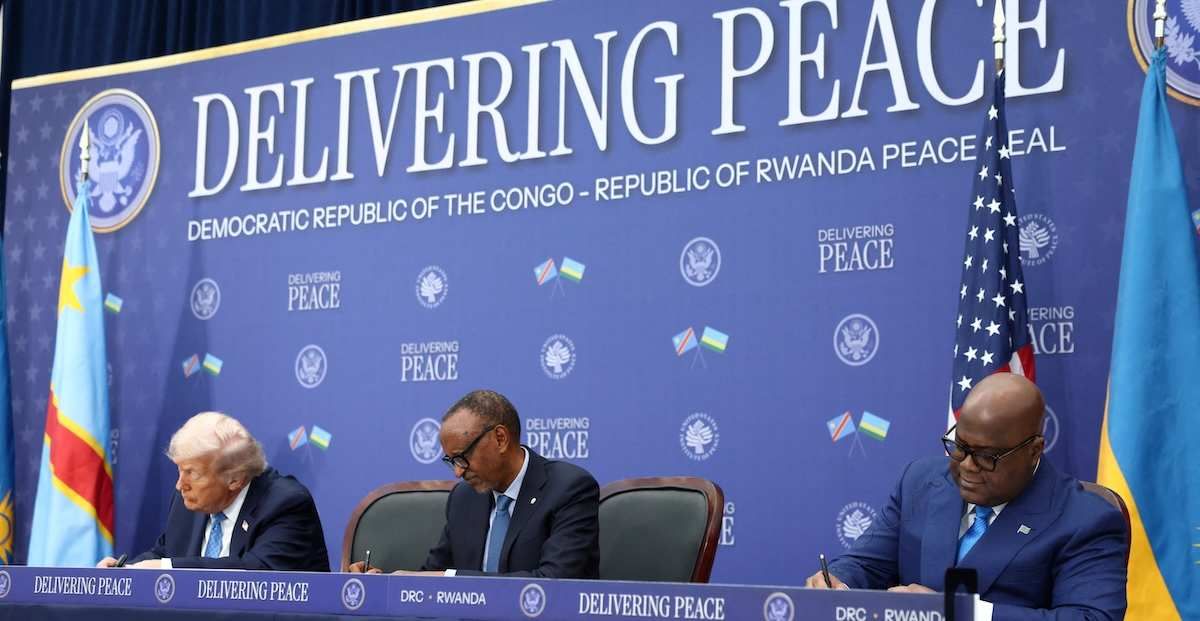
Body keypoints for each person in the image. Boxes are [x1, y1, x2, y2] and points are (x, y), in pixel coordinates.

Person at [806, 374, 1127, 620]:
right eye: (960, 447)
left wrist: (958, 613)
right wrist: (839, 582)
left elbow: (1090, 618)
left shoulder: (1086, 519)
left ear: (1034, 451)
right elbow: (867, 564)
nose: (967, 466)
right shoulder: (921, 482)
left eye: (987, 456)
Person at [350, 389, 599, 577]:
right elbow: (432, 577)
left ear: (500, 438)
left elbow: (553, 583)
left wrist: (451, 579)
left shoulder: (569, 489)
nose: (458, 472)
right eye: (451, 461)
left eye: (462, 457)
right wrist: (384, 583)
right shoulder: (464, 497)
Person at [98, 412, 330, 571]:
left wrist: (168, 568)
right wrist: (126, 570)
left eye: (192, 473)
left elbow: (258, 572)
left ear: (235, 479)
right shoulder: (188, 501)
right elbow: (166, 552)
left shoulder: (285, 504)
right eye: (180, 471)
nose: (180, 485)